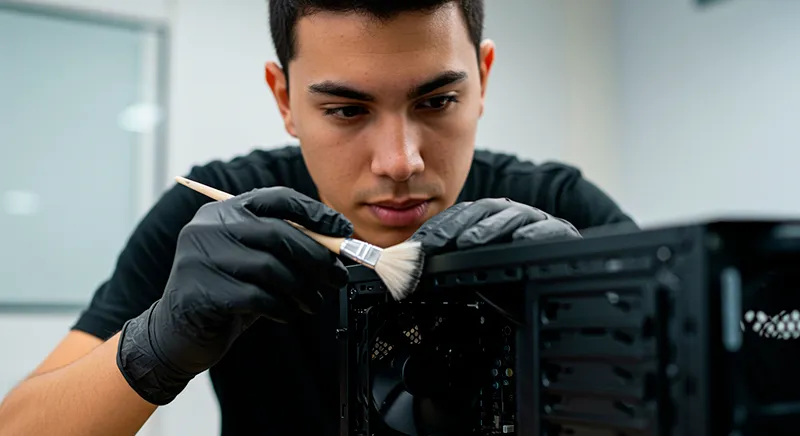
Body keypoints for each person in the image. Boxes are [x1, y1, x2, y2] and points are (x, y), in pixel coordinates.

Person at [0, 1, 635, 435]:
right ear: (284, 99)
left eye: (438, 100)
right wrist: (156, 345)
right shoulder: (218, 214)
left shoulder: (562, 211)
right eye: (346, 111)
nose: (399, 162)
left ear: (483, 79)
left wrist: (588, 336)